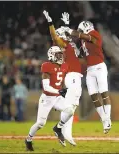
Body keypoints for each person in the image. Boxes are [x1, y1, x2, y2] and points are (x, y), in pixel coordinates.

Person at [63, 17, 112, 134]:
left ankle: (108, 118)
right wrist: (74, 47)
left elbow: (87, 37)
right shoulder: (82, 41)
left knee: (104, 93)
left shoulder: (94, 34)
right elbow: (81, 55)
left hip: (99, 66)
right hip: (90, 69)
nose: (80, 32)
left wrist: (70, 31)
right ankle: (104, 119)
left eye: (81, 30)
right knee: (94, 96)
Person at [43, 11, 83, 145]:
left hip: (76, 75)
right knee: (70, 105)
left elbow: (70, 38)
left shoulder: (68, 42)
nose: (64, 33)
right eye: (62, 31)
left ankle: (63, 131)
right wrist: (51, 23)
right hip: (71, 75)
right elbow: (54, 36)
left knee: (73, 106)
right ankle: (63, 131)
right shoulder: (62, 44)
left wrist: (66, 24)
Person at [25, 46, 76, 151]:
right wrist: (59, 91)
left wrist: (64, 89)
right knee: (40, 124)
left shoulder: (65, 65)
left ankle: (58, 127)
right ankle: (28, 139)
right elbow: (46, 86)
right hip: (47, 98)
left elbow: (60, 81)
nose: (60, 56)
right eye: (58, 54)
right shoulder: (47, 66)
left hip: (57, 97)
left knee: (70, 110)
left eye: (61, 54)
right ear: (52, 55)